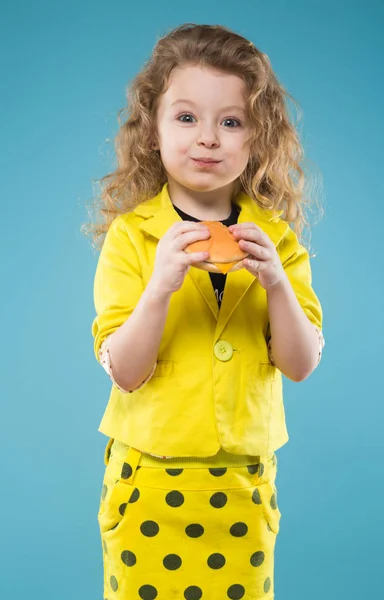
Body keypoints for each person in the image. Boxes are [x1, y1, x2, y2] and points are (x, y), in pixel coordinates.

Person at [88, 23, 325, 600]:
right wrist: (160, 289)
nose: (209, 139)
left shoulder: (279, 241)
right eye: (187, 117)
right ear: (153, 132)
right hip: (148, 479)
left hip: (241, 483)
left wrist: (276, 285)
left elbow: (301, 364)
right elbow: (124, 369)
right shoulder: (132, 237)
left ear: (257, 140)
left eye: (232, 121)